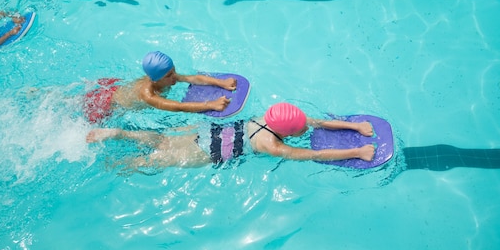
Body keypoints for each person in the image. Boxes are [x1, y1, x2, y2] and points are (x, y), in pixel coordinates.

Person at [86, 102, 376, 169]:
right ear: (288, 132)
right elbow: (314, 155)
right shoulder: (270, 144)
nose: (306, 128)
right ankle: (116, 167)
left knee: (162, 140)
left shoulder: (271, 117)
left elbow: (319, 122)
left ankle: (119, 133)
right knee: (157, 160)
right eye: (301, 129)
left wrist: (355, 127)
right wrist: (357, 151)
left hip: (205, 132)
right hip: (205, 152)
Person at [83, 51, 237, 122]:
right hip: (107, 105)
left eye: (173, 71)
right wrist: (210, 104)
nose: (174, 76)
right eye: (169, 76)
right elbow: (178, 106)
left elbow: (192, 78)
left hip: (115, 87)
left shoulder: (165, 75)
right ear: (155, 80)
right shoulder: (147, 94)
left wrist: (221, 83)